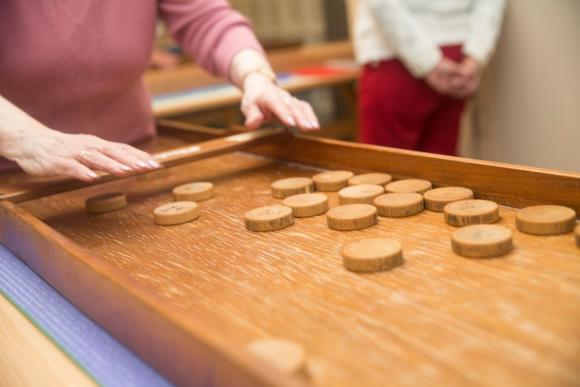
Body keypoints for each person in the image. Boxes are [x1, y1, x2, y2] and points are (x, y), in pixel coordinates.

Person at [0, 1, 320, 182]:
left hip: (134, 162)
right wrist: (31, 140)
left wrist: (255, 78)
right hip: (12, 173)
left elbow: (205, 18)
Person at [353, 0, 505, 155]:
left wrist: (428, 61)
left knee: (384, 170)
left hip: (395, 58)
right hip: (456, 61)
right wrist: (475, 56)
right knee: (439, 170)